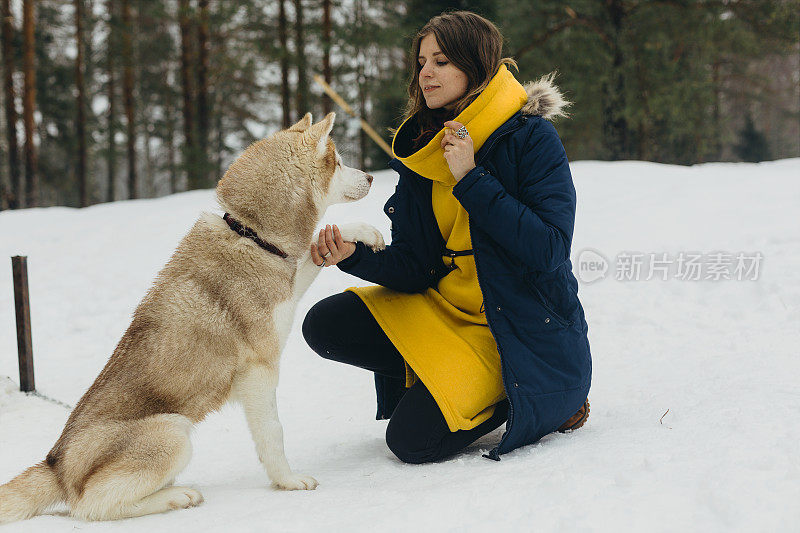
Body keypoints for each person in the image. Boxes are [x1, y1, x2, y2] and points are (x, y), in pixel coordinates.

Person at [302, 10, 592, 464]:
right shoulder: (425, 145)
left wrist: (471, 178)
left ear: (475, 65)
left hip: (514, 331)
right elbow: (415, 266)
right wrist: (353, 256)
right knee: (325, 324)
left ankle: (527, 395)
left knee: (412, 442)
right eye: (421, 62)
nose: (425, 74)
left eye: (441, 61)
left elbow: (549, 248)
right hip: (444, 310)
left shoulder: (531, 137)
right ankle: (438, 376)